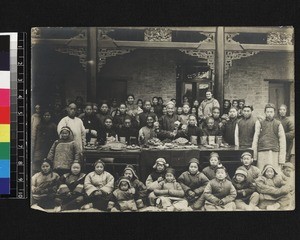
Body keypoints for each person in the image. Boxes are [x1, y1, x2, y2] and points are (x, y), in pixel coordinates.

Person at [252, 103, 286, 170]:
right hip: (262, 152)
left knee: (274, 172)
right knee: (262, 172)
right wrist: (254, 156)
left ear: (274, 112)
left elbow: (282, 141)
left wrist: (281, 159)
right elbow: (255, 139)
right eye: (267, 112)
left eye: (271, 112)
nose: (269, 113)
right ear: (265, 112)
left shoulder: (278, 124)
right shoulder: (259, 123)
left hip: (274, 152)